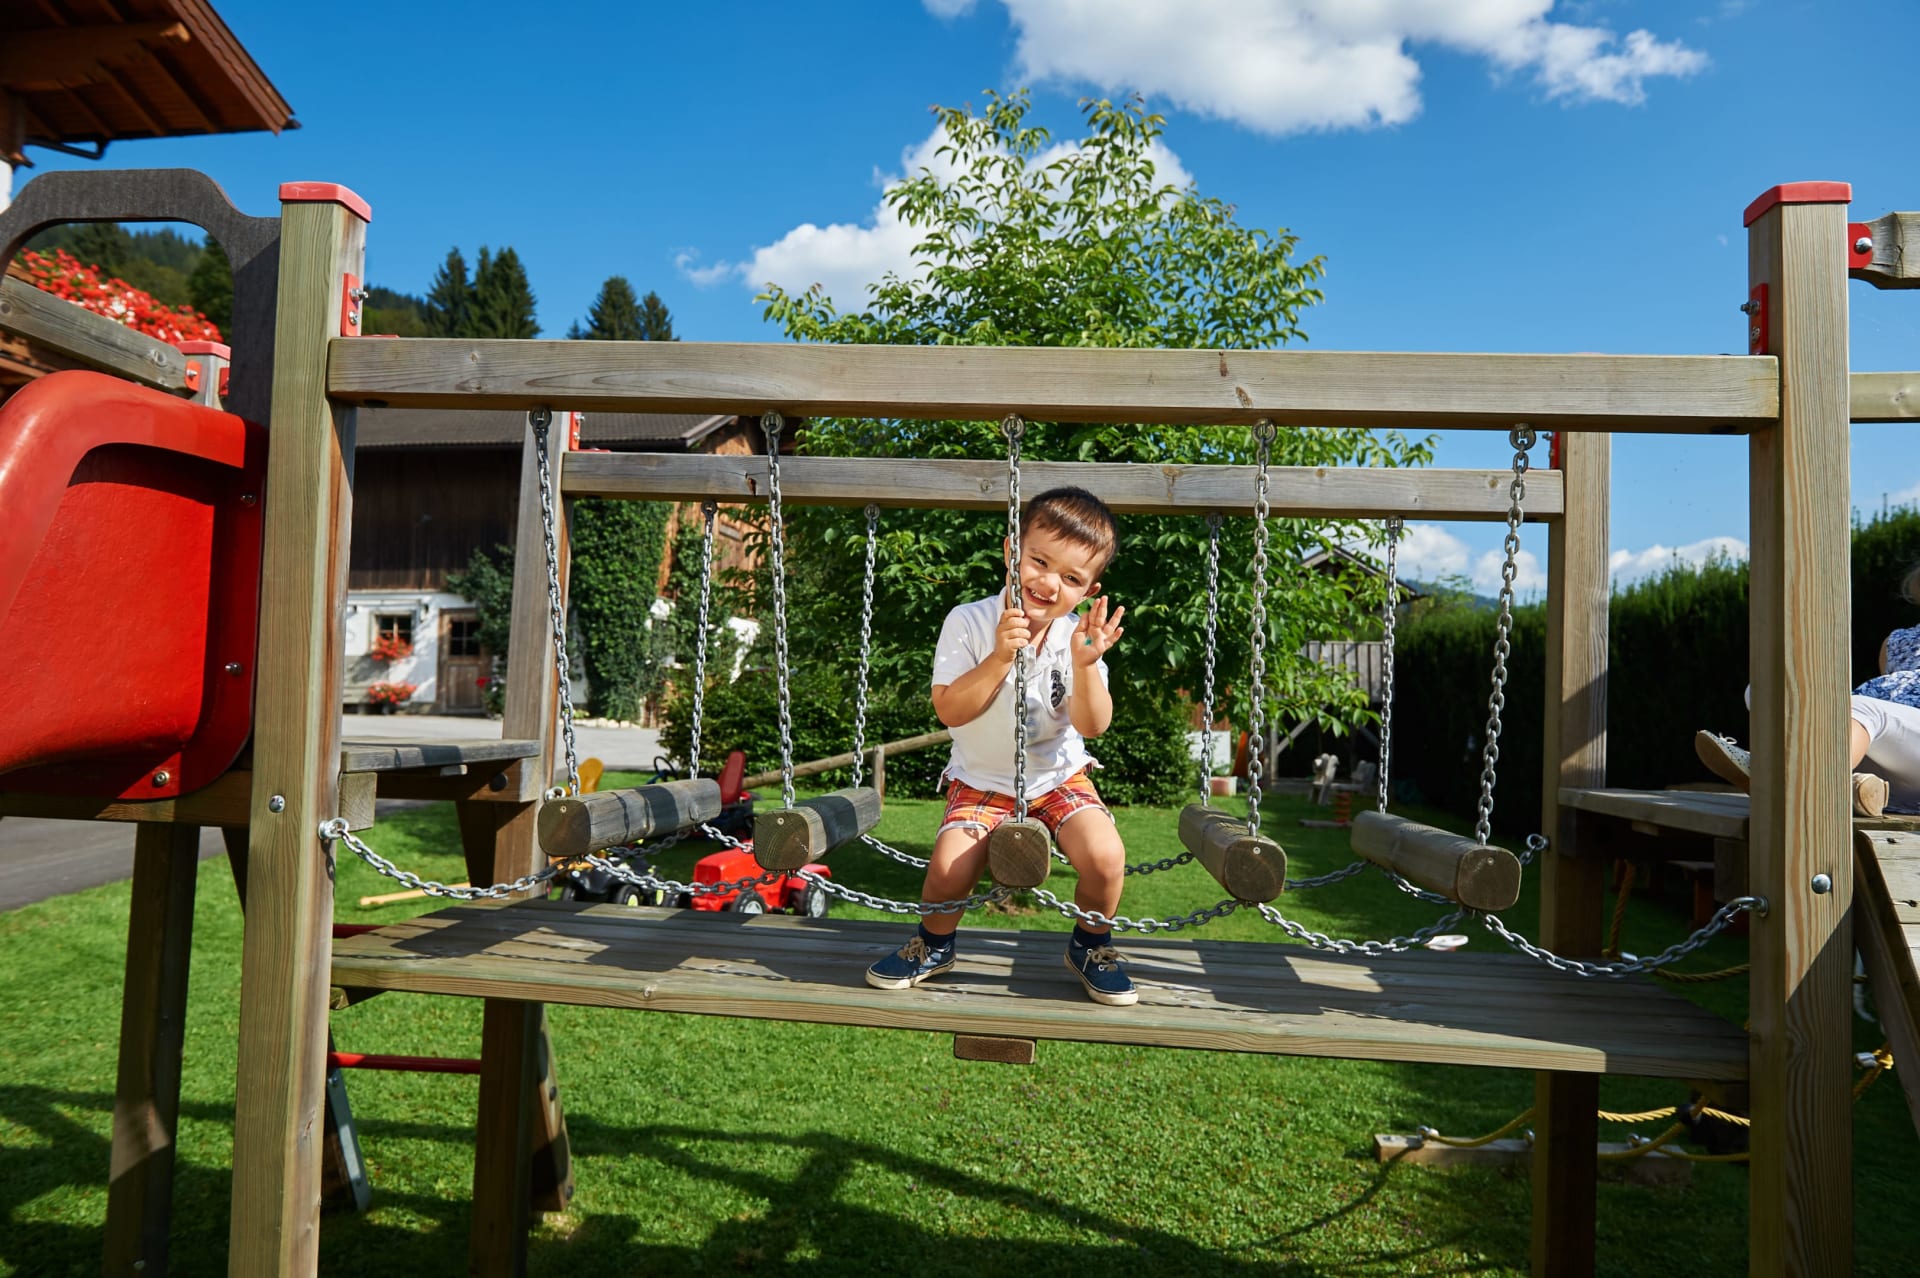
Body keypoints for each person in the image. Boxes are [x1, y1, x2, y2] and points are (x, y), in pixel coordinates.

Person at [865, 486, 1135, 1005]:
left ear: (1089, 590)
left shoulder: (1076, 639)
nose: (1049, 583)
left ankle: (1090, 945)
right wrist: (998, 659)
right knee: (948, 869)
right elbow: (950, 709)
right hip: (980, 779)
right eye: (1039, 561)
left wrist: (1085, 666)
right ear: (1013, 551)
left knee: (1106, 856)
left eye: (1071, 578)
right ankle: (934, 944)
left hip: (1057, 776)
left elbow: (1093, 724)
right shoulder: (968, 621)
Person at [1697, 567, 1920, 815]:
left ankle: (1796, 777)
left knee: (1862, 710)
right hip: (1897, 759)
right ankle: (1853, 786)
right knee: (1767, 690)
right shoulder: (1897, 642)